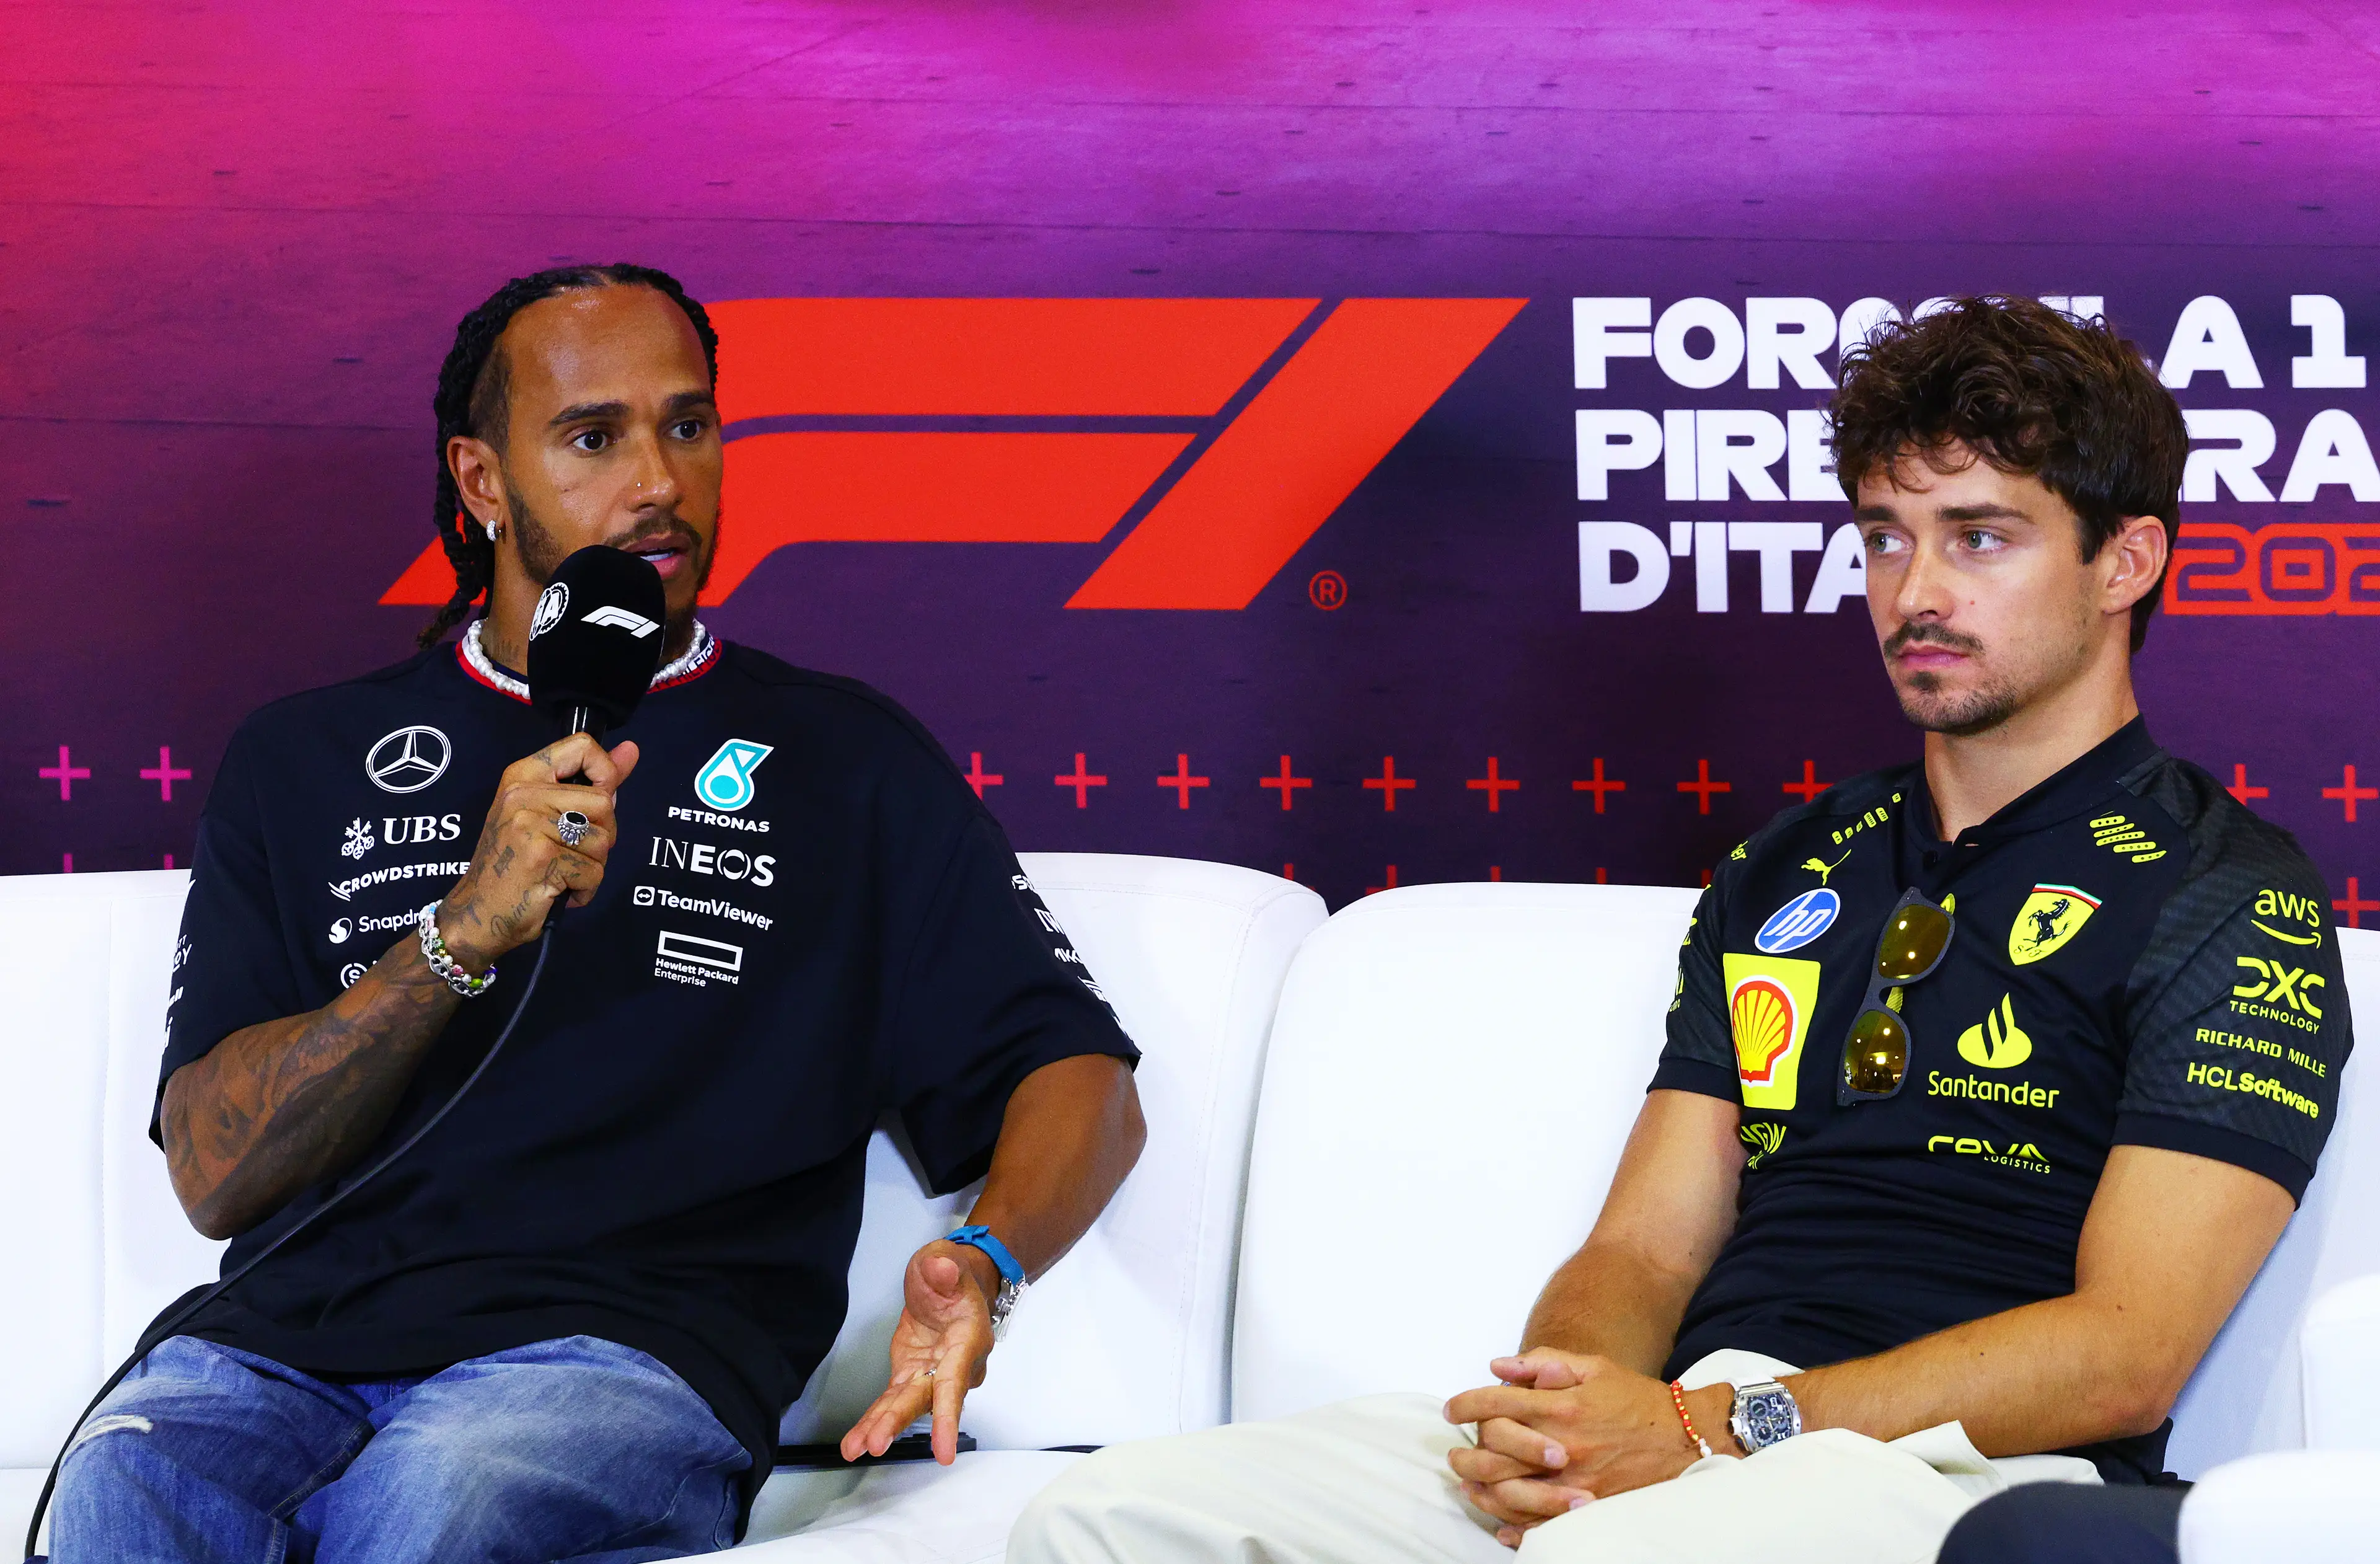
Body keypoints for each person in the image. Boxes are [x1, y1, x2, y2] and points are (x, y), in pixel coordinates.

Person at [1009, 295, 2352, 1564]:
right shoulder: (1790, 862)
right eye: (1886, 535)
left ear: (2126, 561)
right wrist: (1564, 1413)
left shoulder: (2228, 894)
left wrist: (1720, 1429)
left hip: (1954, 1475)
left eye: (1980, 536)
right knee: (1109, 1516)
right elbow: (1645, 1247)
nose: (1915, 590)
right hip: (1697, 1437)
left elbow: (2127, 1352)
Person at [48, 263, 1145, 1564]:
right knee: (123, 1485)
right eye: (593, 437)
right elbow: (215, 1172)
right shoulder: (303, 756)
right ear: (481, 481)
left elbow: (1082, 1078)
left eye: (689, 426)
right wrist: (460, 933)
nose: (660, 484)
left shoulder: (847, 762)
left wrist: (990, 1264)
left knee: (436, 1500)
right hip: (283, 1348)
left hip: (623, 1356)